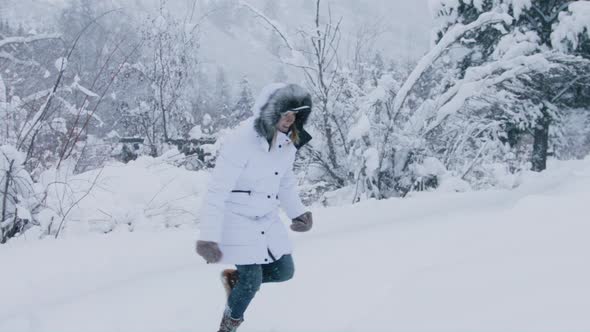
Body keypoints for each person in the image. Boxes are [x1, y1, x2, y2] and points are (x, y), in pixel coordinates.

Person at [195, 83, 314, 332]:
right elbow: (216, 191)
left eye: (294, 114)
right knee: (252, 279)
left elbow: (285, 182)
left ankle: (237, 281)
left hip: (266, 218)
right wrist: (208, 238)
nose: (289, 119)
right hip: (235, 217)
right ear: (271, 112)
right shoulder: (242, 141)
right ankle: (227, 327)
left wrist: (298, 212)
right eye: (284, 113)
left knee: (284, 271)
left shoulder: (287, 144)